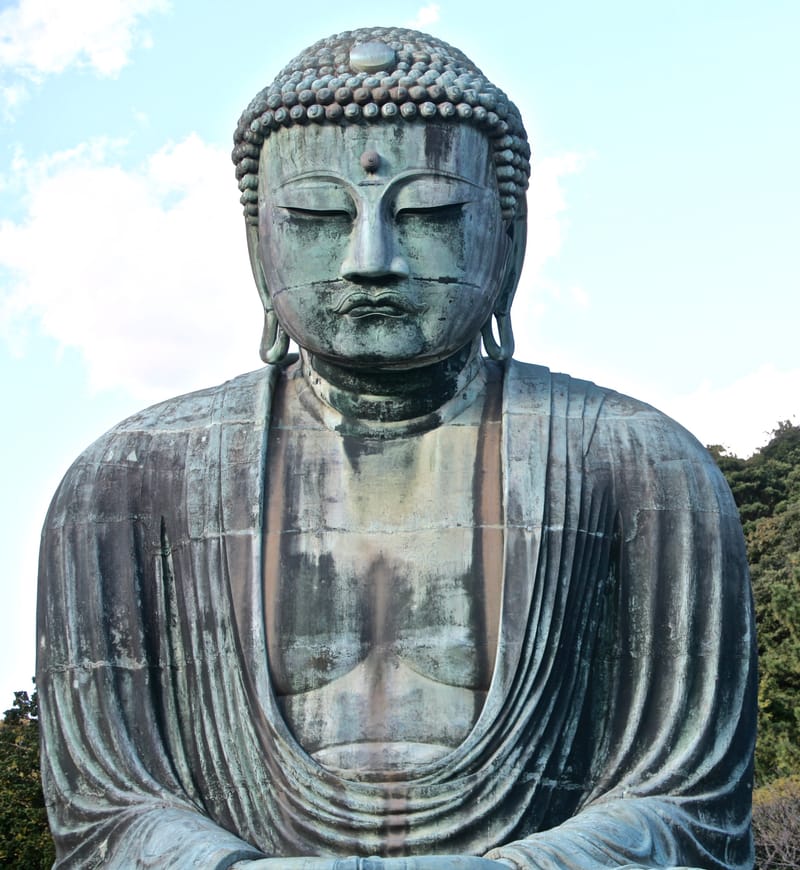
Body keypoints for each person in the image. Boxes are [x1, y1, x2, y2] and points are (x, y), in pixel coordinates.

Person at [37, 27, 756, 869]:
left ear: (509, 237)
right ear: (255, 245)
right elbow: (106, 814)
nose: (370, 259)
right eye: (314, 215)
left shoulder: (638, 465)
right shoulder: (127, 483)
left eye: (430, 214)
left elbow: (691, 808)